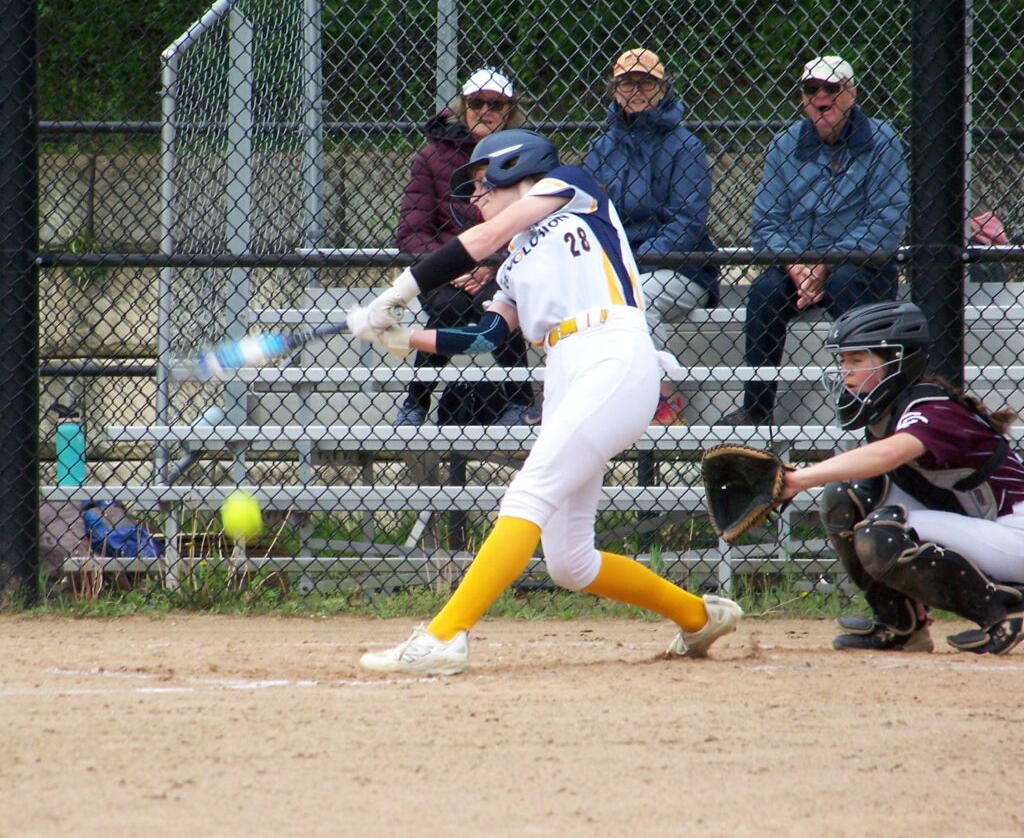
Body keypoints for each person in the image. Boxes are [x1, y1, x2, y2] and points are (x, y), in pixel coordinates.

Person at [346, 128, 742, 674]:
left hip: (612, 352)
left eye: (484, 184)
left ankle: (444, 636)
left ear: (517, 168)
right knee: (570, 560)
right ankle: (699, 617)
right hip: (564, 370)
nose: (476, 200)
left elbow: (486, 237)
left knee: (527, 494)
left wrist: (398, 289)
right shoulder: (512, 264)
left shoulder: (572, 188)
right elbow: (485, 336)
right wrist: (400, 338)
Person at [780, 300, 1024, 655]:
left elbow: (889, 454)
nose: (845, 372)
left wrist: (799, 478)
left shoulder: (932, 409)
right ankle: (901, 625)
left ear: (896, 360)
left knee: (883, 533)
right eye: (842, 361)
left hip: (1015, 532)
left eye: (857, 360)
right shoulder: (891, 412)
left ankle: (1002, 614)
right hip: (986, 527)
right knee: (846, 497)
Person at [719, 55, 910, 426]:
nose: (821, 96)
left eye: (832, 88)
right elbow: (765, 222)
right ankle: (757, 407)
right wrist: (796, 266)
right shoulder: (784, 144)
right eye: (811, 89)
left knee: (843, 281)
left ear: (850, 93)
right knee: (762, 292)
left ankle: (864, 398)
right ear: (803, 99)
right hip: (798, 263)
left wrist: (827, 262)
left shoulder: (883, 141)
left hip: (861, 263)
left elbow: (887, 221)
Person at [393, 66, 537, 427]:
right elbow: (411, 233)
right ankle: (416, 402)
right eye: (476, 102)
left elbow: (531, 223)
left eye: (496, 104)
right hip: (446, 269)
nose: (485, 110)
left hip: (502, 264)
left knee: (498, 302)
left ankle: (519, 402)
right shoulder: (431, 156)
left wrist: (493, 261)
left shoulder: (524, 156)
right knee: (448, 305)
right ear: (463, 105)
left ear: (509, 111)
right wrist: (454, 265)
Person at [584, 48, 718, 425]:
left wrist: (630, 267)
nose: (637, 90)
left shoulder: (685, 145)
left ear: (663, 89)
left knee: (638, 298)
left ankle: (663, 397)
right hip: (619, 266)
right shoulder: (600, 149)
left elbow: (687, 223)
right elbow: (591, 218)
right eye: (628, 82)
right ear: (614, 89)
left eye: (647, 82)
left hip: (680, 268)